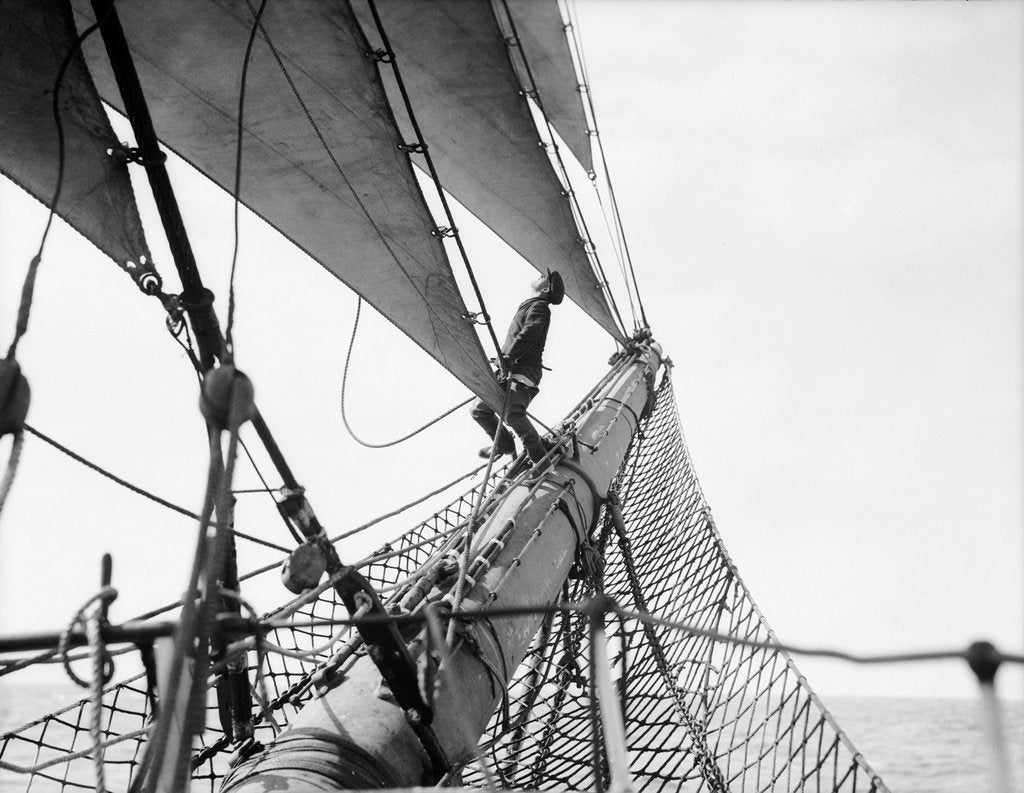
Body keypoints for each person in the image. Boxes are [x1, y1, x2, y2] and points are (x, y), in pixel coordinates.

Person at [472, 270, 564, 463]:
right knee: (479, 410)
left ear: (546, 289)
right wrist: (501, 359)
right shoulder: (529, 305)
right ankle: (504, 444)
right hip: (507, 368)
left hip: (524, 370)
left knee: (513, 413)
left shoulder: (540, 307)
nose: (540, 275)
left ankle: (539, 457)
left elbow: (530, 333)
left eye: (544, 277)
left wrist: (509, 356)